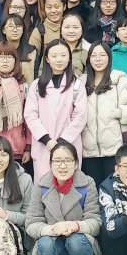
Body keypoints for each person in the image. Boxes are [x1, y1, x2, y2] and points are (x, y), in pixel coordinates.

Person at [27, 141, 103, 255]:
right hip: (53, 241)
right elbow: (31, 223)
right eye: (57, 161)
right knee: (45, 243)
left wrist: (73, 226)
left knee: (75, 239)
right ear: (50, 164)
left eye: (68, 160)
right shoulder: (41, 185)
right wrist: (54, 229)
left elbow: (95, 221)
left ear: (76, 164)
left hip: (80, 244)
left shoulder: (87, 183)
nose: (62, 166)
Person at [81, 43, 127, 186]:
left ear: (109, 58)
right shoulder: (81, 83)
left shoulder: (119, 81)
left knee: (113, 190)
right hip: (87, 151)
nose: (98, 59)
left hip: (114, 150)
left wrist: (119, 112)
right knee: (93, 192)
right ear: (89, 59)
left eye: (102, 55)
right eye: (94, 55)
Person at [25, 39, 89, 181]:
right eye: (54, 56)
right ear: (47, 59)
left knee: (69, 185)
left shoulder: (77, 85)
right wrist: (47, 140)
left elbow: (81, 116)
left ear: (69, 58)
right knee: (44, 186)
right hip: (44, 146)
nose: (59, 60)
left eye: (63, 55)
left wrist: (63, 141)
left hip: (69, 144)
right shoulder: (36, 85)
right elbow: (30, 115)